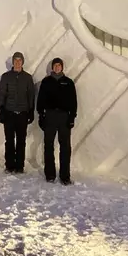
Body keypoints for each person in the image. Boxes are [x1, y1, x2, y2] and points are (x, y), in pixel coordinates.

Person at [36, 57, 77, 185]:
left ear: (62, 67)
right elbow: (40, 100)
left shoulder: (68, 82)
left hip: (64, 117)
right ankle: (50, 174)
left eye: (59, 65)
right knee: (48, 146)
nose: (57, 67)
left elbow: (73, 102)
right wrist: (41, 116)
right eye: (55, 66)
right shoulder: (46, 81)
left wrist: (71, 117)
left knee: (65, 147)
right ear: (52, 67)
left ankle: (65, 176)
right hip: (50, 116)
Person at [0, 51, 35, 174]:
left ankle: (19, 166)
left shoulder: (28, 78)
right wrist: (1, 109)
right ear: (13, 62)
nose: (17, 62)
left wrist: (30, 111)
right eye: (15, 60)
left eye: (19, 60)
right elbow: (1, 94)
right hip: (9, 113)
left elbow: (31, 95)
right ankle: (9, 165)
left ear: (22, 62)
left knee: (21, 141)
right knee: (9, 140)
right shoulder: (6, 77)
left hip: (22, 113)